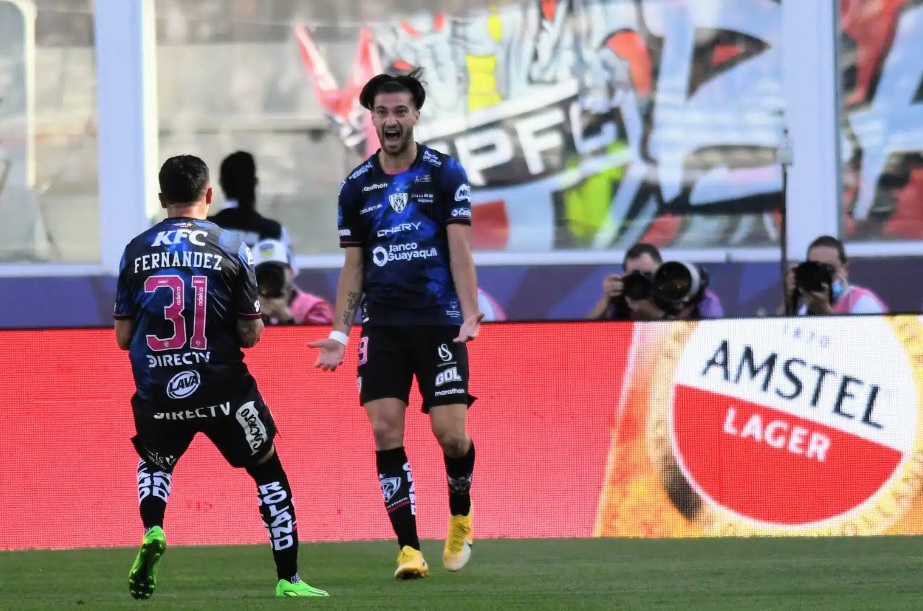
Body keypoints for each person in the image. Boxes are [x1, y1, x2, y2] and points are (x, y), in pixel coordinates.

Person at [113, 155, 328, 600]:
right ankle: (289, 578)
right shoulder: (231, 245)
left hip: (160, 389)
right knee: (267, 467)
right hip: (223, 387)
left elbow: (123, 336)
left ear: (161, 198)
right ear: (208, 195)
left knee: (155, 462)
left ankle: (153, 528)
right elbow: (250, 334)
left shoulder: (136, 249)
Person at [309, 69, 483, 580]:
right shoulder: (355, 186)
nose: (391, 120)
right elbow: (354, 267)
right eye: (382, 112)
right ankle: (409, 549)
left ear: (415, 116)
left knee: (451, 436)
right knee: (385, 429)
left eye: (400, 111)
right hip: (382, 326)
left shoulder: (444, 173)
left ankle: (460, 514)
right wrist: (340, 333)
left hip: (438, 323)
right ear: (371, 119)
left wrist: (469, 310)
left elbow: (460, 250)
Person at [209, 151, 296, 269]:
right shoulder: (274, 231)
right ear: (255, 182)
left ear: (221, 183)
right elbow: (289, 272)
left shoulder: (202, 229)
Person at [784, 235, 887, 315]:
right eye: (816, 269)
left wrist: (825, 312)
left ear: (845, 269)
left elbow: (864, 337)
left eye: (829, 269)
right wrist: (789, 300)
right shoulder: (808, 307)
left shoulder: (863, 302)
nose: (823, 276)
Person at [252, 238, 334, 325]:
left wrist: (288, 319)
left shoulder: (314, 307)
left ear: (290, 272)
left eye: (276, 271)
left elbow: (323, 332)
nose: (270, 279)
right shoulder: (246, 308)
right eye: (263, 274)